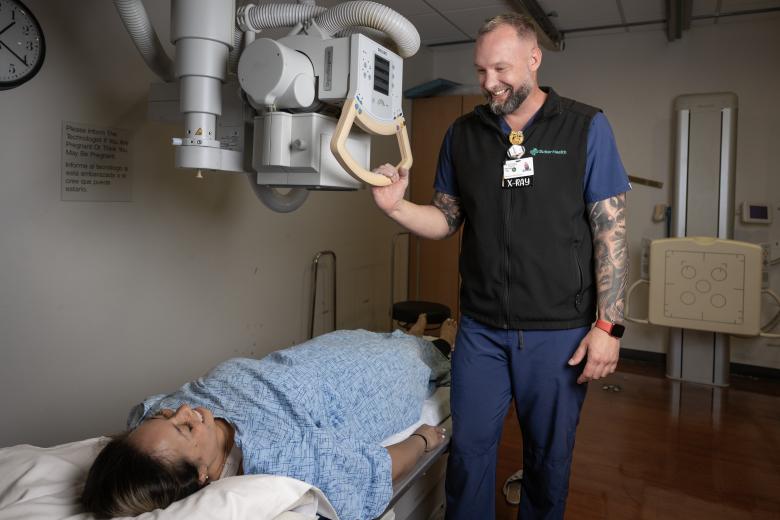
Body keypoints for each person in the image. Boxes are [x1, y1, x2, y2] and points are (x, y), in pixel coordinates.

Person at [370, 13, 630, 520]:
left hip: (559, 331)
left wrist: (609, 326)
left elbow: (612, 232)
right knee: (468, 454)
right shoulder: (463, 135)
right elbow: (446, 219)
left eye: (501, 69)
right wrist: (396, 207)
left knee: (548, 461)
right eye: (481, 70)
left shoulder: (585, 127)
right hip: (482, 331)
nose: (489, 83)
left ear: (534, 59)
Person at [81, 316, 457, 520]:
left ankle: (415, 332)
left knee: (379, 336)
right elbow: (368, 470)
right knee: (416, 357)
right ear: (202, 476)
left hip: (318, 354)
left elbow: (145, 414)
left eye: (166, 415)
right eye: (184, 428)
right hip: (366, 385)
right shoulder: (278, 456)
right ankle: (442, 340)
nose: (183, 411)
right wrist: (424, 439)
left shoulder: (167, 421)